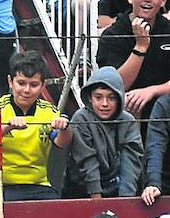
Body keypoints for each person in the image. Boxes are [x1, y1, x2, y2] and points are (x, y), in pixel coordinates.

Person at [0, 49, 70, 201]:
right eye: (21, 83)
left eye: (34, 85)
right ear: (10, 82)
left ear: (43, 85)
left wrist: (65, 128)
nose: (26, 90)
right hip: (1, 185)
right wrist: (8, 127)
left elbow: (61, 143)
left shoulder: (50, 111)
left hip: (40, 185)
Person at [95, 0, 170, 118]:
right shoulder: (112, 34)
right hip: (125, 109)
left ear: (163, 1)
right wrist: (140, 47)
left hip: (165, 107)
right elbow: (114, 87)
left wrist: (152, 91)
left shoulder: (168, 29)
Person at [61, 65, 143, 200]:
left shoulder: (128, 121)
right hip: (81, 190)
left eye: (111, 98)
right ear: (90, 98)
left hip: (118, 189)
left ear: (119, 98)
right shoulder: (81, 118)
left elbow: (131, 161)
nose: (104, 103)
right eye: (98, 97)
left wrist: (125, 200)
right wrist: (96, 198)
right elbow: (87, 160)